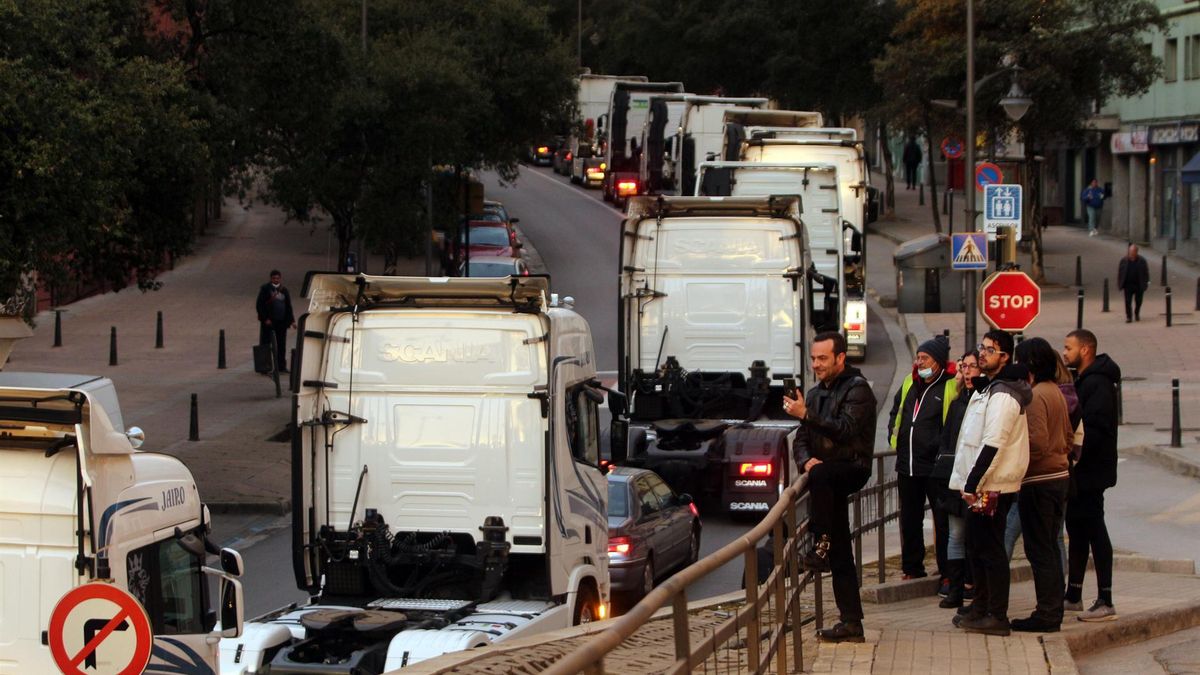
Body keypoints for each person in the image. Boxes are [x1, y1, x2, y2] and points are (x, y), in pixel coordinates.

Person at [784, 331, 878, 643]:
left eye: (822, 358)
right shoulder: (812, 393)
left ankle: (818, 542)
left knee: (822, 477)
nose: (816, 364)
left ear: (840, 357)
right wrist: (804, 460)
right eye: (813, 359)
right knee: (841, 550)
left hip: (852, 466)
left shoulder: (858, 389)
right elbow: (801, 436)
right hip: (826, 474)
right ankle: (851, 622)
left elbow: (846, 431)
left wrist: (808, 416)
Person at [949, 330, 1030, 637]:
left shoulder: (1004, 394)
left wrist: (971, 483)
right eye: (981, 348)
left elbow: (993, 443)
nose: (982, 354)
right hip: (983, 483)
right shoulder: (989, 389)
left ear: (1005, 356)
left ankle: (996, 614)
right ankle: (981, 607)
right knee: (977, 546)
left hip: (992, 485)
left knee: (991, 549)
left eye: (990, 350)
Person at [1009, 338, 1073, 633]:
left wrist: (1016, 466)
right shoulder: (1056, 392)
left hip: (1040, 480)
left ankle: (1047, 613)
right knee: (1048, 545)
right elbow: (1069, 437)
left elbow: (1037, 443)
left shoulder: (1036, 396)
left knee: (1040, 550)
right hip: (1058, 477)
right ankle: (1052, 609)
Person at [1062, 329, 1121, 621]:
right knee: (1077, 528)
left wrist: (1076, 453)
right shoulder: (1085, 380)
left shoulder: (1097, 383)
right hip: (1081, 471)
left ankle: (1105, 598)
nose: (1065, 353)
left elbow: (1095, 429)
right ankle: (1073, 594)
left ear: (1085, 350)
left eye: (1069, 347)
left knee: (1094, 529)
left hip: (1091, 471)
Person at [888, 336, 957, 583]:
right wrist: (893, 440)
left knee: (942, 520)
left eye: (924, 358)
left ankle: (948, 571)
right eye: (918, 357)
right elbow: (896, 413)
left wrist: (943, 452)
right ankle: (912, 567)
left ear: (937, 362)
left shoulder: (950, 385)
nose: (919, 362)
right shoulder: (909, 382)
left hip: (935, 466)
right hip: (907, 463)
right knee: (910, 518)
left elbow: (952, 421)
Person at [932, 350, 979, 609]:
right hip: (954, 478)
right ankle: (955, 587)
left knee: (974, 536)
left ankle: (974, 585)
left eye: (973, 367)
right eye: (965, 367)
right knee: (956, 535)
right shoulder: (958, 403)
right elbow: (947, 440)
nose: (968, 372)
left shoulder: (983, 401)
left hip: (975, 480)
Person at [256, 270, 296, 373]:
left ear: (280, 278)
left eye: (277, 278)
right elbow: (260, 305)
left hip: (281, 322)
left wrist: (292, 320)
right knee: (266, 343)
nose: (276, 280)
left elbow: (288, 307)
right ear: (271, 278)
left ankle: (281, 366)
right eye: (274, 278)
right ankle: (265, 367)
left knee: (281, 345)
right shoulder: (265, 289)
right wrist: (265, 319)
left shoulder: (284, 290)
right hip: (269, 322)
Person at [1117, 244, 1150, 322]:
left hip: (1138, 284)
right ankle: (1129, 316)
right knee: (1127, 301)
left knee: (1138, 301)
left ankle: (1136, 313)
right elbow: (1120, 273)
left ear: (1136, 252)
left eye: (1132, 252)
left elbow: (1146, 273)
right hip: (1128, 284)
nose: (1131, 253)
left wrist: (1146, 283)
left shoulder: (1142, 261)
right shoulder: (1124, 260)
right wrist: (1120, 283)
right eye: (1130, 252)